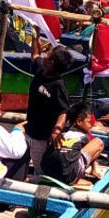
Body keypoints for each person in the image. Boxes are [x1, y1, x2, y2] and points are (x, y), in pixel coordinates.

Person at [25, 39, 74, 174]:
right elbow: (35, 54)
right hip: (28, 129)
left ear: (52, 62)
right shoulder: (41, 68)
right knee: (23, 163)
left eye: (48, 54)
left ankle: (40, 183)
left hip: (41, 137)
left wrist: (56, 131)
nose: (45, 55)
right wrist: (36, 35)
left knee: (40, 169)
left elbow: (63, 111)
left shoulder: (58, 85)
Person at [40, 102, 108, 187]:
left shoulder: (61, 133)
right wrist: (93, 170)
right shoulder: (85, 136)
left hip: (47, 170)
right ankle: (75, 179)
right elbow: (93, 152)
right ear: (79, 121)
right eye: (89, 122)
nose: (91, 125)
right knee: (98, 142)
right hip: (68, 176)